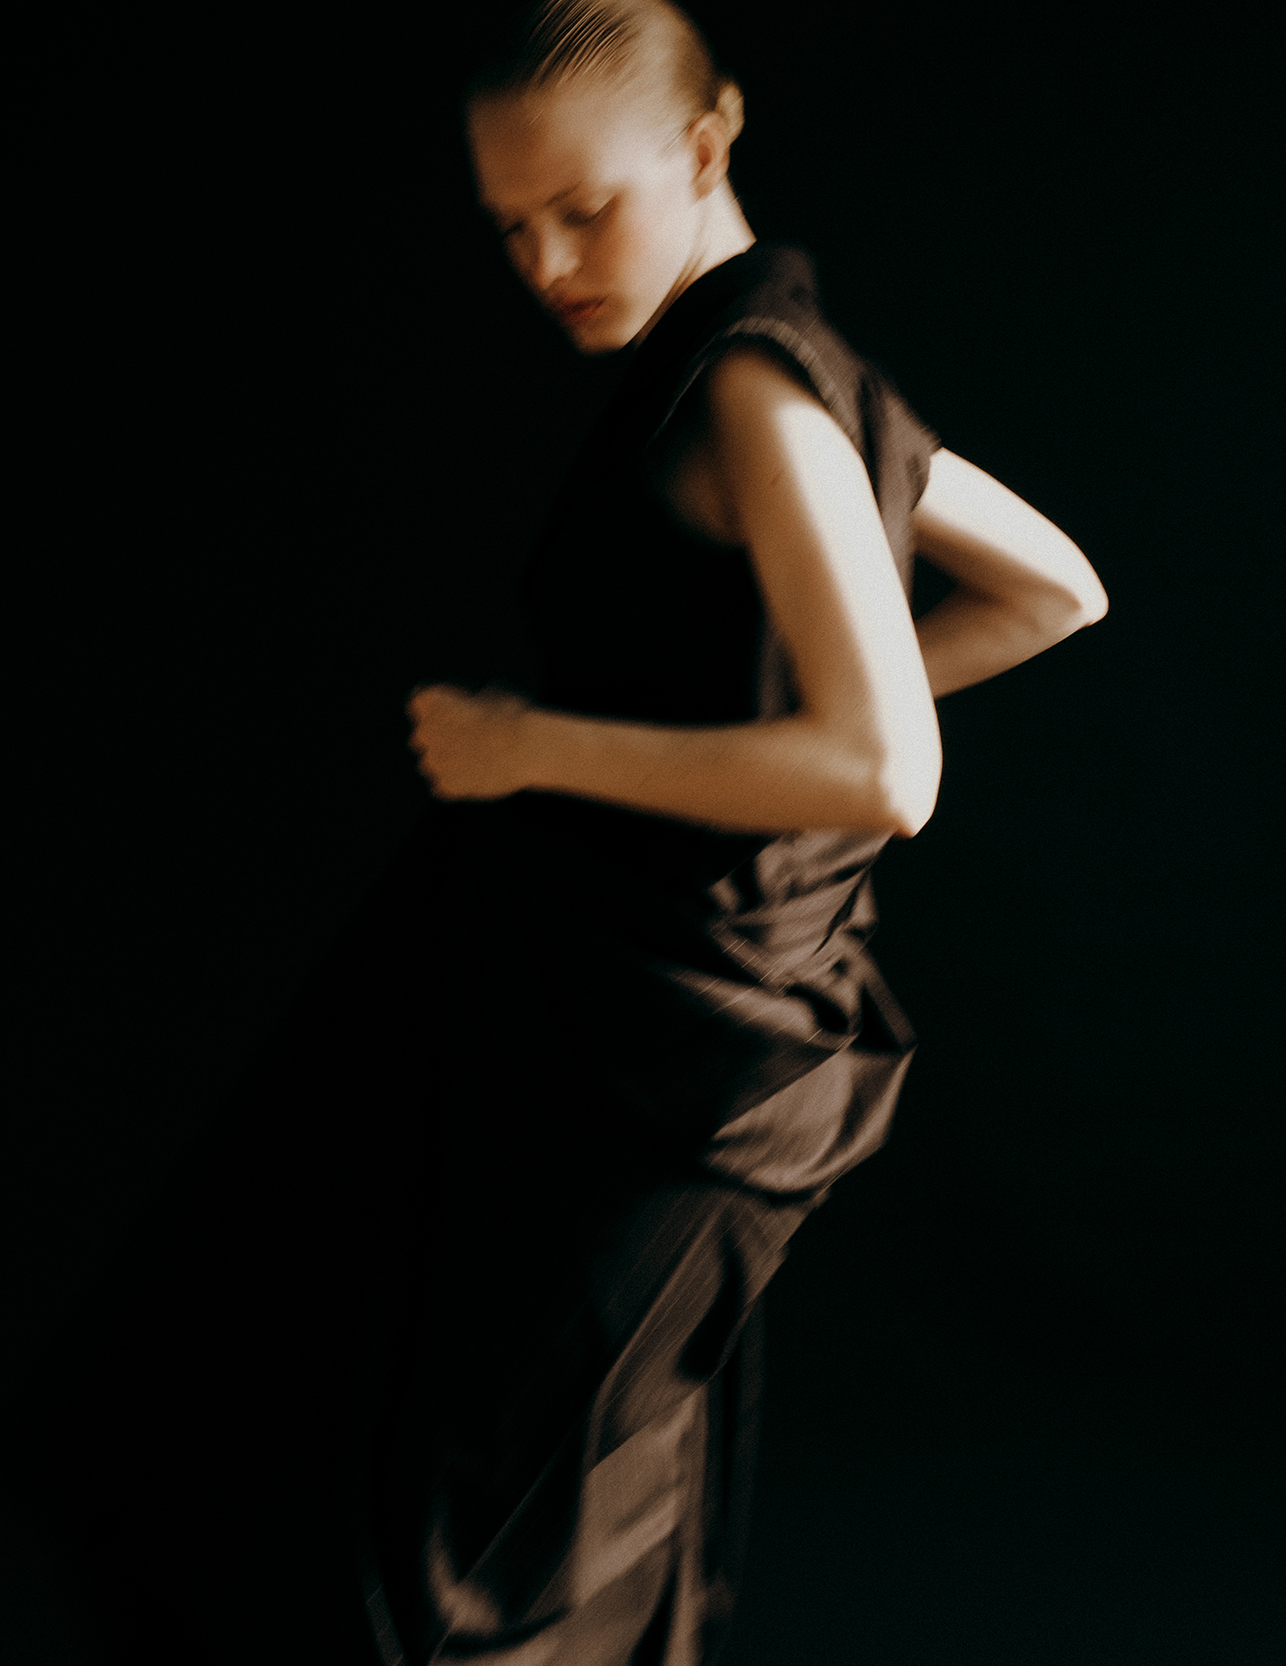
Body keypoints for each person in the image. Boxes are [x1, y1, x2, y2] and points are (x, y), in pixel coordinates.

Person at [360, 3, 1109, 1662]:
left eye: (582, 208)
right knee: (594, 1525)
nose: (546, 263)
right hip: (659, 1033)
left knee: (500, 1549)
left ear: (705, 147)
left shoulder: (755, 393)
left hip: (688, 1057)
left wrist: (527, 748)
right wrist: (749, 726)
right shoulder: (770, 359)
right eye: (510, 228)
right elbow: (1054, 589)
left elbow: (884, 770)